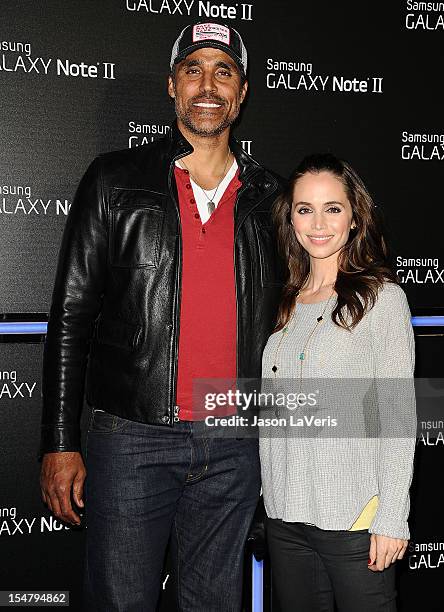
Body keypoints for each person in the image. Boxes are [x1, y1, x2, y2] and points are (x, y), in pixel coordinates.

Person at [39, 21, 285, 612]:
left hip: (234, 445)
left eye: (223, 71)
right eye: (193, 69)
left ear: (243, 91)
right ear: (171, 86)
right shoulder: (113, 180)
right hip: (131, 439)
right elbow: (71, 316)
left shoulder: (271, 198)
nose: (208, 85)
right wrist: (59, 441)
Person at [259, 153, 416, 612]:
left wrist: (391, 515)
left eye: (333, 208)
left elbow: (397, 414)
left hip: (355, 521)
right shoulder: (284, 300)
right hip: (286, 521)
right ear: (291, 219)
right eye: (305, 209)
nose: (318, 223)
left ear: (354, 217)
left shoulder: (382, 299)